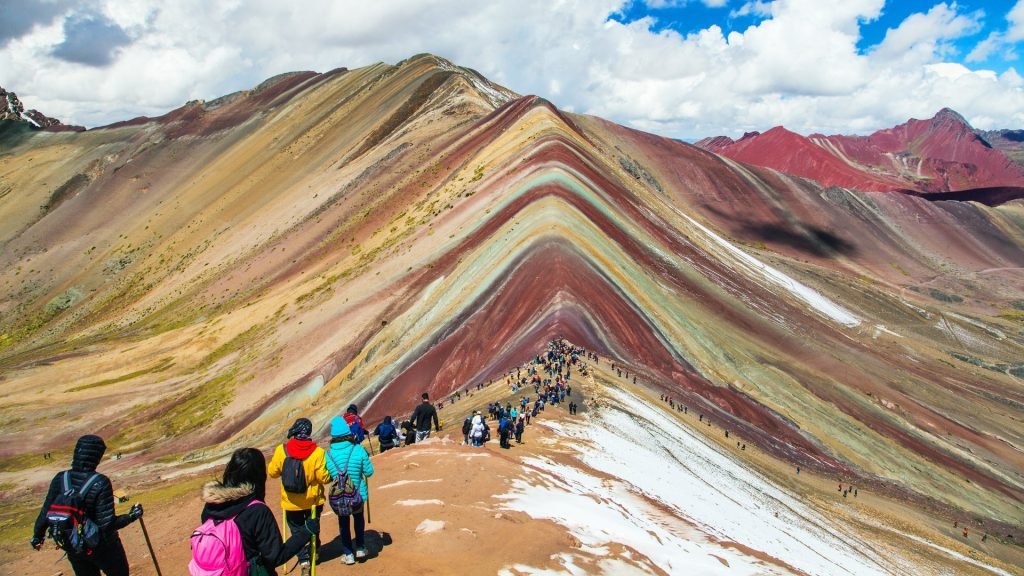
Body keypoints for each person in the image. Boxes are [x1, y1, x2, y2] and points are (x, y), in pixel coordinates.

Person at [32, 435, 143, 576]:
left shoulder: (60, 478)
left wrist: (37, 536)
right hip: (104, 547)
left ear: (76, 452)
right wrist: (132, 515)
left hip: (73, 546)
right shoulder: (100, 482)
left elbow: (46, 512)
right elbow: (107, 524)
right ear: (97, 456)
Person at [198, 448, 317, 575]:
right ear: (260, 476)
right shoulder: (257, 511)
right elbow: (276, 557)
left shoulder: (211, 506)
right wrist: (306, 531)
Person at [267, 418, 331, 576]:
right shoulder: (318, 453)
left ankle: (303, 560)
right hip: (313, 501)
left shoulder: (282, 450)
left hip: (290, 500)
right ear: (308, 432)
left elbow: (272, 472)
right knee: (312, 527)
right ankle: (315, 551)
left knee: (296, 531)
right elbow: (324, 477)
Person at [324, 416, 375, 565]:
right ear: (348, 432)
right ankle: (360, 547)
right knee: (358, 519)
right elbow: (369, 472)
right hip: (357, 495)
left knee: (343, 523)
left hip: (339, 498)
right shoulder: (358, 449)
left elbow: (327, 478)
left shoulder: (328, 455)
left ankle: (348, 554)